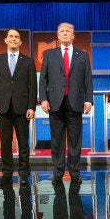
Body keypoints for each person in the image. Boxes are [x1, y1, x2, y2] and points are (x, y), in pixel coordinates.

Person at [39, 22, 93, 184]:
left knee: (75, 140)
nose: (64, 34)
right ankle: (57, 172)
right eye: (61, 31)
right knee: (56, 140)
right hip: (55, 102)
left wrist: (88, 100)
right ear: (57, 35)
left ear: (73, 35)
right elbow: (43, 79)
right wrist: (43, 99)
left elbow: (88, 80)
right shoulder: (49, 54)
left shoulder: (82, 55)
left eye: (68, 31)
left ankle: (75, 173)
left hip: (75, 102)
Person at [0, 28, 36, 186]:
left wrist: (31, 106)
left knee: (23, 143)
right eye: (11, 36)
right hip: (3, 107)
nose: (14, 39)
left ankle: (23, 174)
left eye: (16, 37)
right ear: (6, 40)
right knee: (5, 143)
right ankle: (7, 174)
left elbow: (32, 85)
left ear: (21, 41)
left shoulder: (28, 61)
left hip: (22, 108)